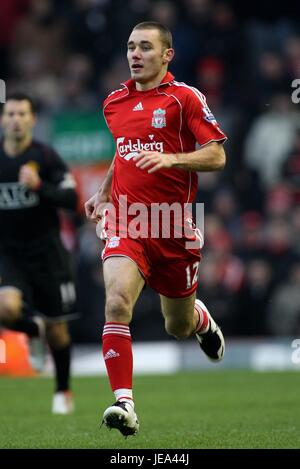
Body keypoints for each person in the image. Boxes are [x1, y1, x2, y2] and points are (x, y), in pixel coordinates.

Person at [85, 21, 227, 436]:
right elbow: (124, 152)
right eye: (130, 46)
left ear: (167, 55)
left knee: (176, 326)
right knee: (115, 304)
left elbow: (216, 156)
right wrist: (105, 191)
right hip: (127, 222)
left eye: (145, 47)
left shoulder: (185, 99)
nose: (135, 54)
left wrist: (172, 159)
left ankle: (199, 319)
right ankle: (124, 404)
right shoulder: (113, 102)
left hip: (174, 227)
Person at [0, 92, 78, 414]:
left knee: (59, 331)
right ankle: (34, 330)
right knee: (5, 308)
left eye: (22, 114)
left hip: (48, 254)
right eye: (11, 114)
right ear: (3, 120)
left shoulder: (46, 158)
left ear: (33, 119)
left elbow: (72, 200)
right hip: (10, 254)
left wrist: (39, 187)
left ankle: (62, 391)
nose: (16, 120)